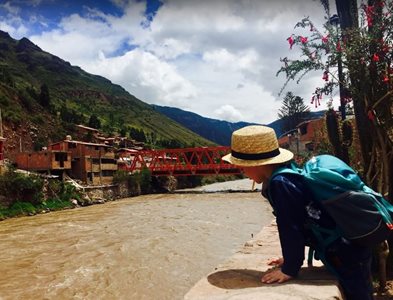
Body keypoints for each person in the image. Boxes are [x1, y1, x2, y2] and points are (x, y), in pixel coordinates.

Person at [222, 125, 374, 300]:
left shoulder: (280, 183)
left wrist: (290, 268)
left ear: (258, 164)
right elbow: (301, 219)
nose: (243, 172)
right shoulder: (289, 173)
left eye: (243, 167)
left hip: (344, 253)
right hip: (348, 247)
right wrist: (289, 258)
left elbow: (290, 226)